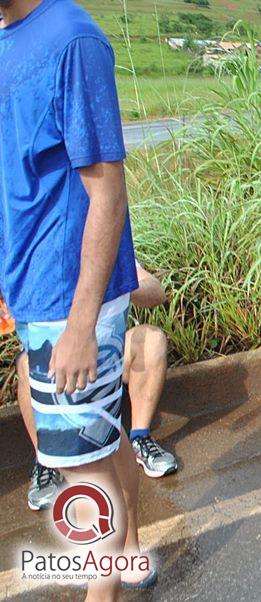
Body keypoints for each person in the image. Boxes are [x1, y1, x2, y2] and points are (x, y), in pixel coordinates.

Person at [0, 0, 155, 593]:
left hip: (69, 301)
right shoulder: (13, 37)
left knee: (85, 483)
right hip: (37, 293)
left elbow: (107, 194)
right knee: (102, 445)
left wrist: (80, 325)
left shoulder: (72, 40)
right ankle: (132, 554)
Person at [19, 263, 178, 512]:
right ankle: (47, 461)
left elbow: (157, 292)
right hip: (57, 364)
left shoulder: (107, 250)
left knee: (152, 339)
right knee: (28, 364)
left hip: (106, 355)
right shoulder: (42, 258)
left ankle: (141, 438)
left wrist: (116, 284)